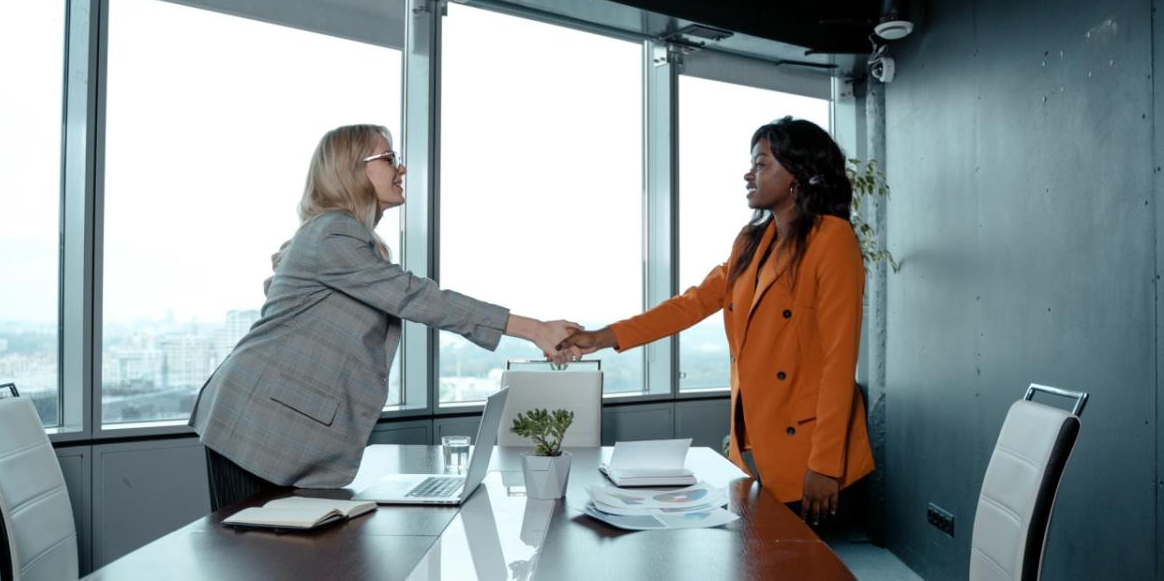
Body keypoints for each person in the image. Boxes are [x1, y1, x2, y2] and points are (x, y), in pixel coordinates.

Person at [191, 124, 577, 510]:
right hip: (255, 426)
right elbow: (417, 297)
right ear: (352, 169)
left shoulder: (348, 239)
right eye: (389, 158)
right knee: (251, 556)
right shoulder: (333, 233)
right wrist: (535, 329)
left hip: (277, 428)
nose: (401, 168)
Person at [557, 116, 874, 527]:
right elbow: (690, 304)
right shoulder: (750, 241)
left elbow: (839, 360)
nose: (749, 174)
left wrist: (826, 464)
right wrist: (603, 337)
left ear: (799, 175)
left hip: (811, 447)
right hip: (753, 442)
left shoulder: (832, 239)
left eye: (762, 164)